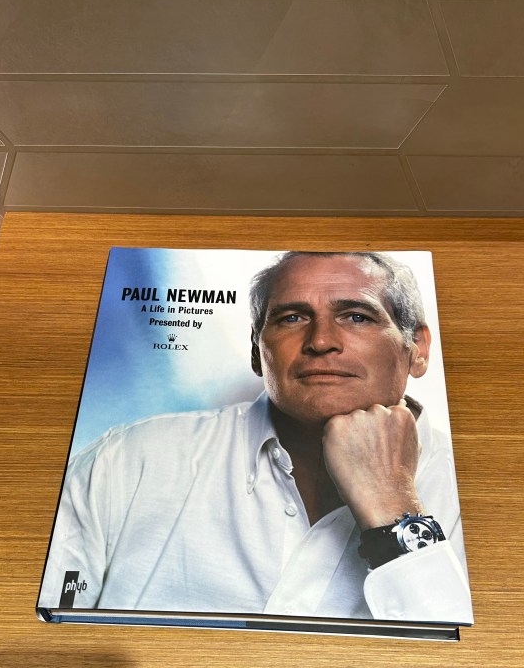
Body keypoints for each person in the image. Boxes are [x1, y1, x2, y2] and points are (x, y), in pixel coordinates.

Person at [39, 251, 472, 625]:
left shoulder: (474, 493)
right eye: (292, 318)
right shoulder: (126, 461)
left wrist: (393, 505)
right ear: (255, 351)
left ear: (418, 349)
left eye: (357, 316)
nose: (321, 341)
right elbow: (45, 633)